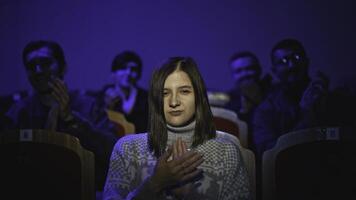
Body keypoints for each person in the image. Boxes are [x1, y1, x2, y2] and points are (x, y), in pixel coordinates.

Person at [103, 57, 250, 199]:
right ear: (155, 98)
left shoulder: (226, 150)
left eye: (184, 91)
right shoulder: (127, 149)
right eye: (165, 93)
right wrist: (155, 184)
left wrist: (189, 195)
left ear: (198, 96)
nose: (174, 102)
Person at [3, 40, 116, 192]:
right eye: (31, 66)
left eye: (45, 63)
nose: (38, 70)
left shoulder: (89, 105)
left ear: (63, 67)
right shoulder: (19, 110)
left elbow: (114, 152)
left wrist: (71, 119)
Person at [252, 38, 330, 157]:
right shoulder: (266, 110)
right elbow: (270, 155)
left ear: (307, 62)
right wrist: (307, 113)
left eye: (297, 58)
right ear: (274, 70)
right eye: (283, 61)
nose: (292, 65)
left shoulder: (329, 97)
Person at [92, 51, 148, 138]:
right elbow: (95, 125)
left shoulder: (146, 98)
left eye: (133, 69)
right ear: (114, 73)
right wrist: (108, 106)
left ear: (138, 74)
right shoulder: (102, 96)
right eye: (123, 68)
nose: (128, 73)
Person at [224, 51, 272, 147]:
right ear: (233, 75)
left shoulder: (274, 94)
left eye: (249, 69)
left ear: (259, 70)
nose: (245, 74)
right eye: (239, 71)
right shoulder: (229, 102)